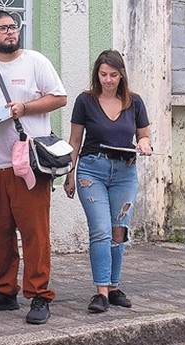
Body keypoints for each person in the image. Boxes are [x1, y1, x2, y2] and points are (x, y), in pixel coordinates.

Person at [0, 8, 67, 325]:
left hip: (29, 165)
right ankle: (4, 291)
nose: (10, 32)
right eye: (3, 28)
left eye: (13, 26)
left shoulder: (35, 62)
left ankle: (38, 295)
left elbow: (59, 97)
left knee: (35, 233)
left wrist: (24, 107)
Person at [64, 50, 152, 313]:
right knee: (100, 230)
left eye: (113, 75)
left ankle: (114, 287)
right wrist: (69, 175)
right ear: (97, 74)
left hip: (125, 173)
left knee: (119, 230)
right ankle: (101, 291)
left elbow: (144, 136)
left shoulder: (134, 102)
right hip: (92, 171)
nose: (108, 80)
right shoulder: (85, 101)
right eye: (103, 74)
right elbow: (75, 141)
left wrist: (145, 144)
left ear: (121, 75)